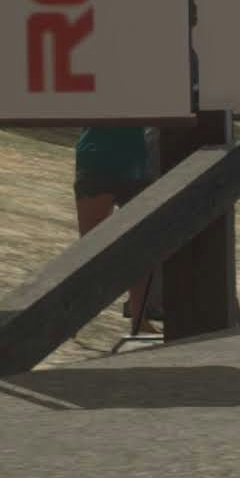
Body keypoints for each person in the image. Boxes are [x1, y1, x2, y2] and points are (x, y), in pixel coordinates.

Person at [70, 121, 163, 334]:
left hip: (133, 163)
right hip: (98, 161)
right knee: (89, 251)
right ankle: (71, 316)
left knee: (141, 248)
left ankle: (139, 319)